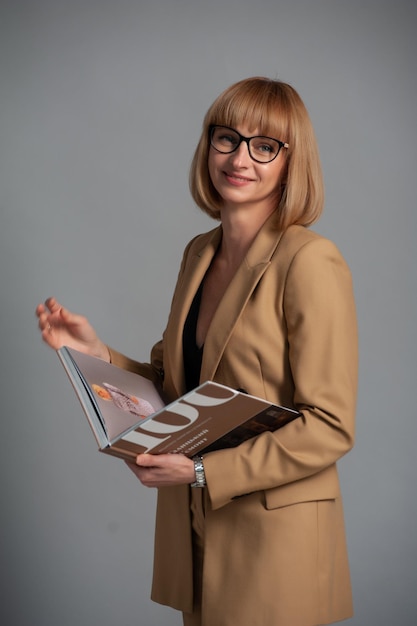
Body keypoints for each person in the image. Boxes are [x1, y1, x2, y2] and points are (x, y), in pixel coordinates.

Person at [36, 77, 358, 626]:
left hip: (276, 545)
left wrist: (204, 471)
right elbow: (175, 389)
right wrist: (95, 354)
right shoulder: (200, 254)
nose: (240, 158)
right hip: (197, 535)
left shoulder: (310, 261)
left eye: (265, 145)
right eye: (226, 137)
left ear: (291, 161)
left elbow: (329, 426)